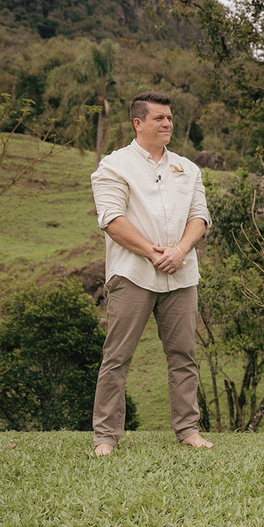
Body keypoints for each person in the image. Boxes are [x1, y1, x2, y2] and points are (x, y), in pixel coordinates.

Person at [90, 91, 213, 456]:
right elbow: (112, 220)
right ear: (137, 123)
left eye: (170, 118)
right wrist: (151, 252)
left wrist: (179, 251)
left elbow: (200, 217)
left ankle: (188, 430)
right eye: (159, 118)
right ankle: (106, 437)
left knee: (183, 355)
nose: (167, 124)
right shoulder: (113, 166)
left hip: (182, 274)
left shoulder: (188, 168)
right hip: (132, 275)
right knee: (117, 356)